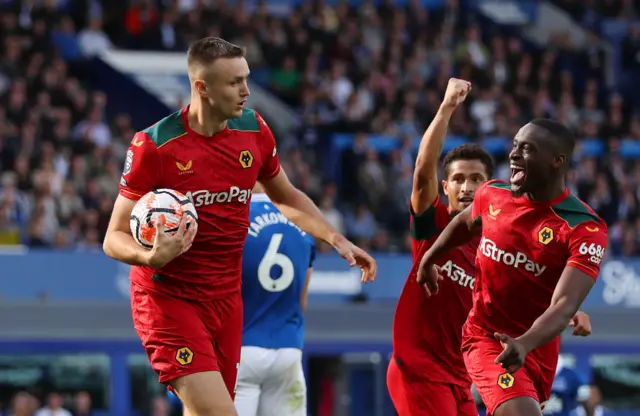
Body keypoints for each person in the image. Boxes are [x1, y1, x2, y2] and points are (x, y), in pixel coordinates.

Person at [103, 37, 377, 416]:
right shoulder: (155, 145)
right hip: (170, 300)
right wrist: (149, 255)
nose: (247, 91)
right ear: (202, 87)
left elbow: (287, 196)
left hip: (227, 302)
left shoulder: (254, 131)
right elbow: (113, 237)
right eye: (235, 82)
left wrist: (335, 237)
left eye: (246, 79)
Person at [387, 79, 592, 416]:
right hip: (419, 370)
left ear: (489, 188)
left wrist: (571, 311)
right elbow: (423, 172)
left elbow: (531, 291)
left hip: (461, 377)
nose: (466, 187)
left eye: (476, 179)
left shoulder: (500, 242)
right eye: (457, 179)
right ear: (445, 187)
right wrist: (447, 106)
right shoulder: (433, 226)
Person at [234, 183, 315, 416]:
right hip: (288, 350)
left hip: (241, 349)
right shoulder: (302, 221)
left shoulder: (233, 219)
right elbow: (302, 302)